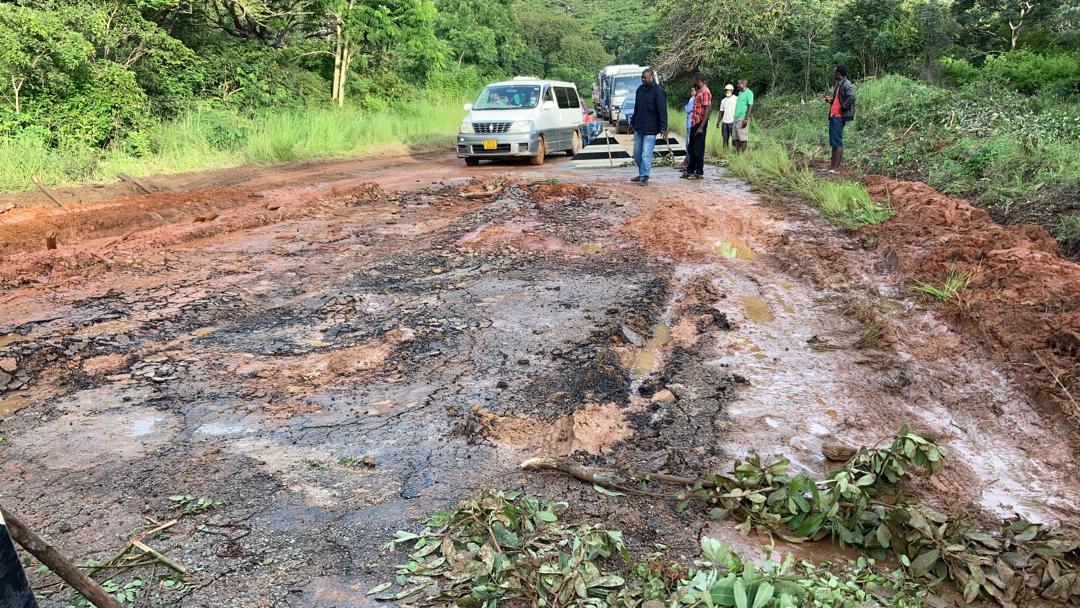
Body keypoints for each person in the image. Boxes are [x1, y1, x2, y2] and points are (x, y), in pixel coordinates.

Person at [628, 68, 668, 186]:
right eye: (642, 78)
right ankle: (641, 173)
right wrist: (632, 124)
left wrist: (664, 127)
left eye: (645, 78)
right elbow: (636, 108)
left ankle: (644, 176)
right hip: (639, 127)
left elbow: (662, 111)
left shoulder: (658, 91)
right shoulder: (639, 90)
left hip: (651, 128)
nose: (643, 80)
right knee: (636, 154)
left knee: (646, 154)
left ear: (651, 77)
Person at [823, 64, 856, 172]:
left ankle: (835, 168)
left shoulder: (846, 84)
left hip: (838, 117)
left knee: (837, 142)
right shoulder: (838, 84)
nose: (833, 74)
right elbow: (837, 101)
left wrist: (842, 109)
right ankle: (831, 167)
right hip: (834, 116)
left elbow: (852, 97)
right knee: (834, 143)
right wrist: (830, 102)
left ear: (839, 73)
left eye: (835, 72)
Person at [683, 73, 712, 180]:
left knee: (698, 149)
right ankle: (690, 170)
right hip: (694, 122)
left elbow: (707, 109)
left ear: (697, 80)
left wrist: (701, 127)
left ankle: (699, 172)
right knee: (691, 147)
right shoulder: (699, 92)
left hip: (700, 122)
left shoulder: (705, 91)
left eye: (695, 80)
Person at [731, 79, 754, 153]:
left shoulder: (749, 93)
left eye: (739, 84)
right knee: (735, 138)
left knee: (743, 138)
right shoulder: (740, 92)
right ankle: (737, 154)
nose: (737, 85)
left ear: (743, 84)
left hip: (742, 118)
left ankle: (742, 155)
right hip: (736, 117)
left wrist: (746, 118)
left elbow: (750, 105)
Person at [679, 85, 697, 172]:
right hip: (689, 123)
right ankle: (688, 162)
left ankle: (689, 164)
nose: (692, 93)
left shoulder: (694, 99)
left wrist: (687, 108)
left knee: (689, 144)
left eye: (693, 91)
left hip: (691, 124)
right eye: (691, 91)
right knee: (688, 144)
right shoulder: (691, 99)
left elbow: (687, 109)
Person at [716, 83, 737, 149]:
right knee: (725, 139)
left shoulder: (736, 99)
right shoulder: (723, 101)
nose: (727, 91)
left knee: (734, 139)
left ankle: (734, 152)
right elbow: (721, 112)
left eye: (729, 90)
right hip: (725, 123)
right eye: (726, 90)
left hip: (733, 122)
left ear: (732, 90)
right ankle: (725, 152)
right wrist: (718, 121)